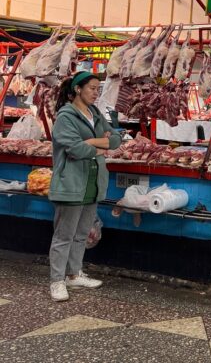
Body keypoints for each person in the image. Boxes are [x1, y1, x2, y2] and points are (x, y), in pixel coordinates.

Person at [48, 71, 122, 302]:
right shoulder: (66, 116)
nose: (96, 92)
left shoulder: (95, 113)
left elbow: (116, 139)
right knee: (64, 235)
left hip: (93, 180)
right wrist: (99, 145)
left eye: (98, 89)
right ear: (78, 89)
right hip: (71, 181)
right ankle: (57, 281)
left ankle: (74, 274)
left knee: (81, 233)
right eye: (92, 88)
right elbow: (75, 149)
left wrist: (92, 142)